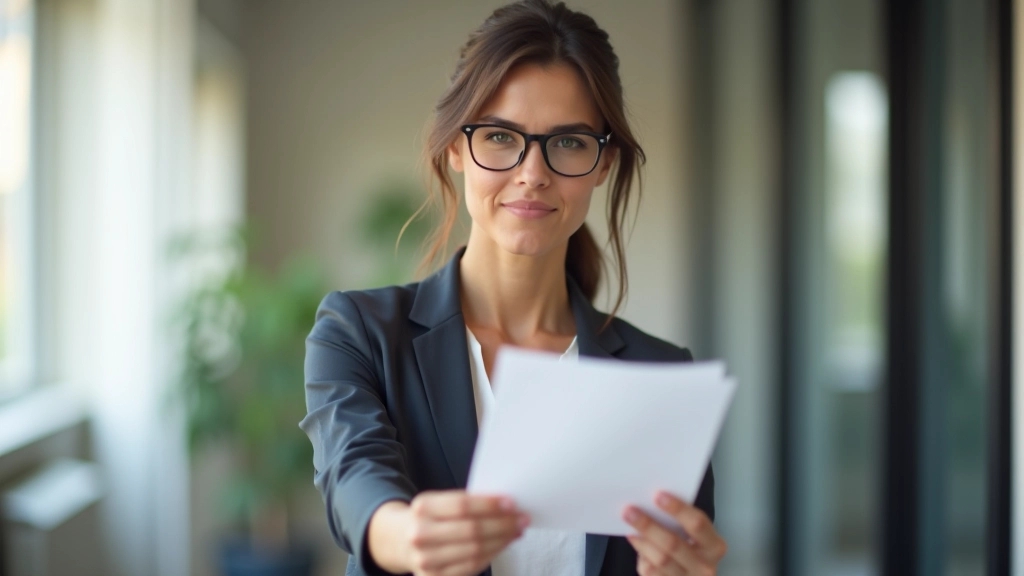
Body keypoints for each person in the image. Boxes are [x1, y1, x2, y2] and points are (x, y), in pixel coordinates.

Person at [300, 1, 726, 575]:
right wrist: (402, 533)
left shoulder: (660, 376)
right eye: (501, 136)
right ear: (455, 147)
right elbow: (354, 479)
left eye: (570, 142)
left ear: (603, 163)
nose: (533, 172)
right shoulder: (358, 333)